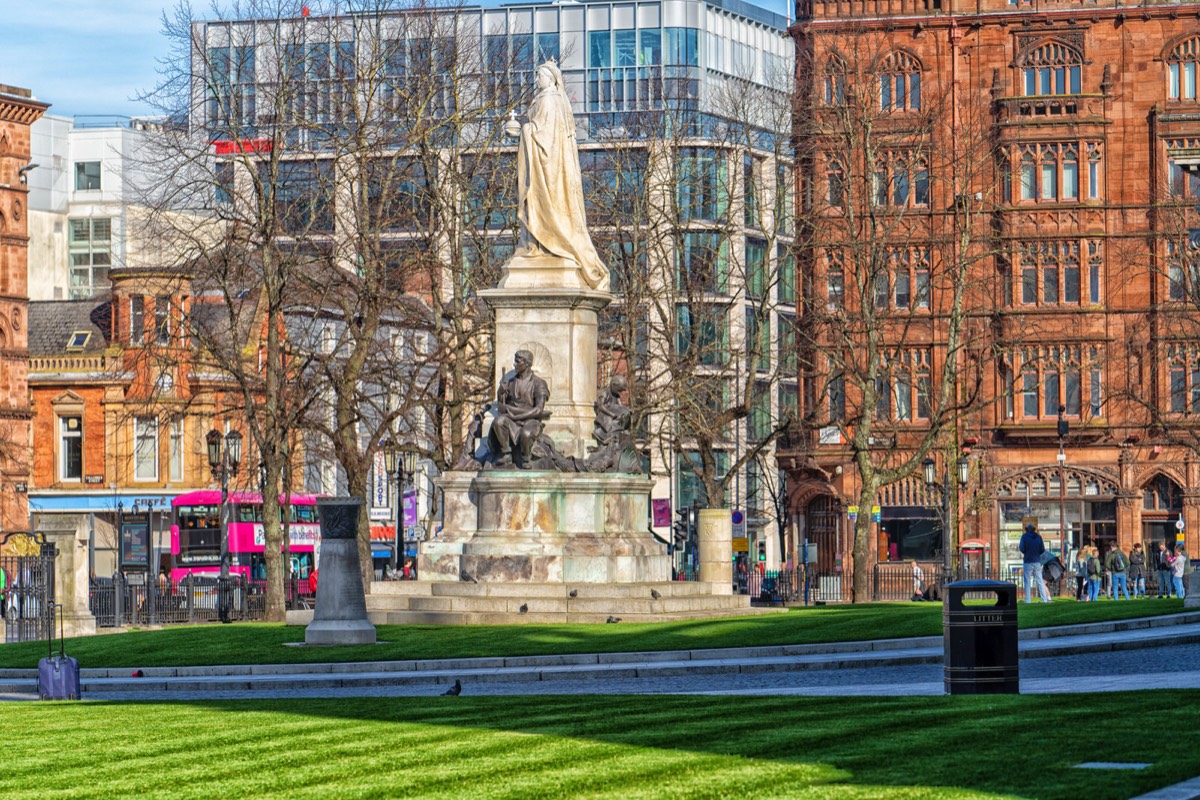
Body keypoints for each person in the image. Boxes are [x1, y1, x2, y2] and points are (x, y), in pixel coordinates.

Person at [515, 60, 609, 291]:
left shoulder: (548, 99)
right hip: (551, 165)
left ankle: (544, 242)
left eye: (539, 75)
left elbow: (542, 135)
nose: (536, 80)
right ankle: (540, 243)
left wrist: (523, 130)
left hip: (546, 167)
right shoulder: (554, 100)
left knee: (543, 204)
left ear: (550, 77)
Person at [487, 349, 551, 469]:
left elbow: (538, 410)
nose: (514, 364)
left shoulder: (539, 383)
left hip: (530, 421)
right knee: (498, 421)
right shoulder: (511, 382)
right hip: (512, 420)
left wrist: (517, 416)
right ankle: (506, 453)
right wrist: (501, 392)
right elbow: (501, 408)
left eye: (517, 361)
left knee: (526, 434)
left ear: (527, 364)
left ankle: (526, 458)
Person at [1018, 523, 1052, 603]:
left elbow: (1021, 548)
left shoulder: (1024, 537)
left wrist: (1027, 552)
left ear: (1027, 529)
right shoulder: (1038, 537)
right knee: (1040, 581)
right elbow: (1042, 550)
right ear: (1034, 529)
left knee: (1027, 581)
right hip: (1037, 561)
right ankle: (1044, 600)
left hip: (1027, 561)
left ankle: (1028, 600)